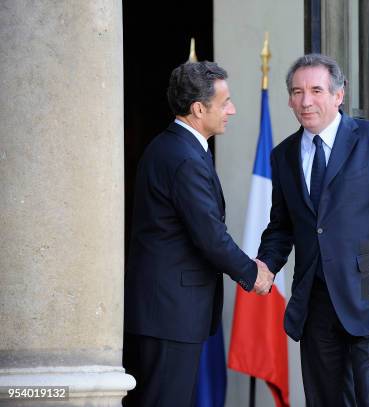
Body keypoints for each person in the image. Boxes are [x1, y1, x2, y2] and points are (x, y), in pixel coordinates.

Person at [257, 54, 369, 406]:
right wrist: (266, 265)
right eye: (297, 92)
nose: (306, 101)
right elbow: (282, 226)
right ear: (289, 99)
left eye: (316, 90)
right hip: (315, 305)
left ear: (338, 94)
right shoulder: (282, 155)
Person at [123, 61, 274, 407]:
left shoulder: (176, 147)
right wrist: (253, 274)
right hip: (169, 316)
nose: (232, 110)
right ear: (198, 109)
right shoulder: (183, 157)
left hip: (168, 313)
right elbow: (210, 236)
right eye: (225, 103)